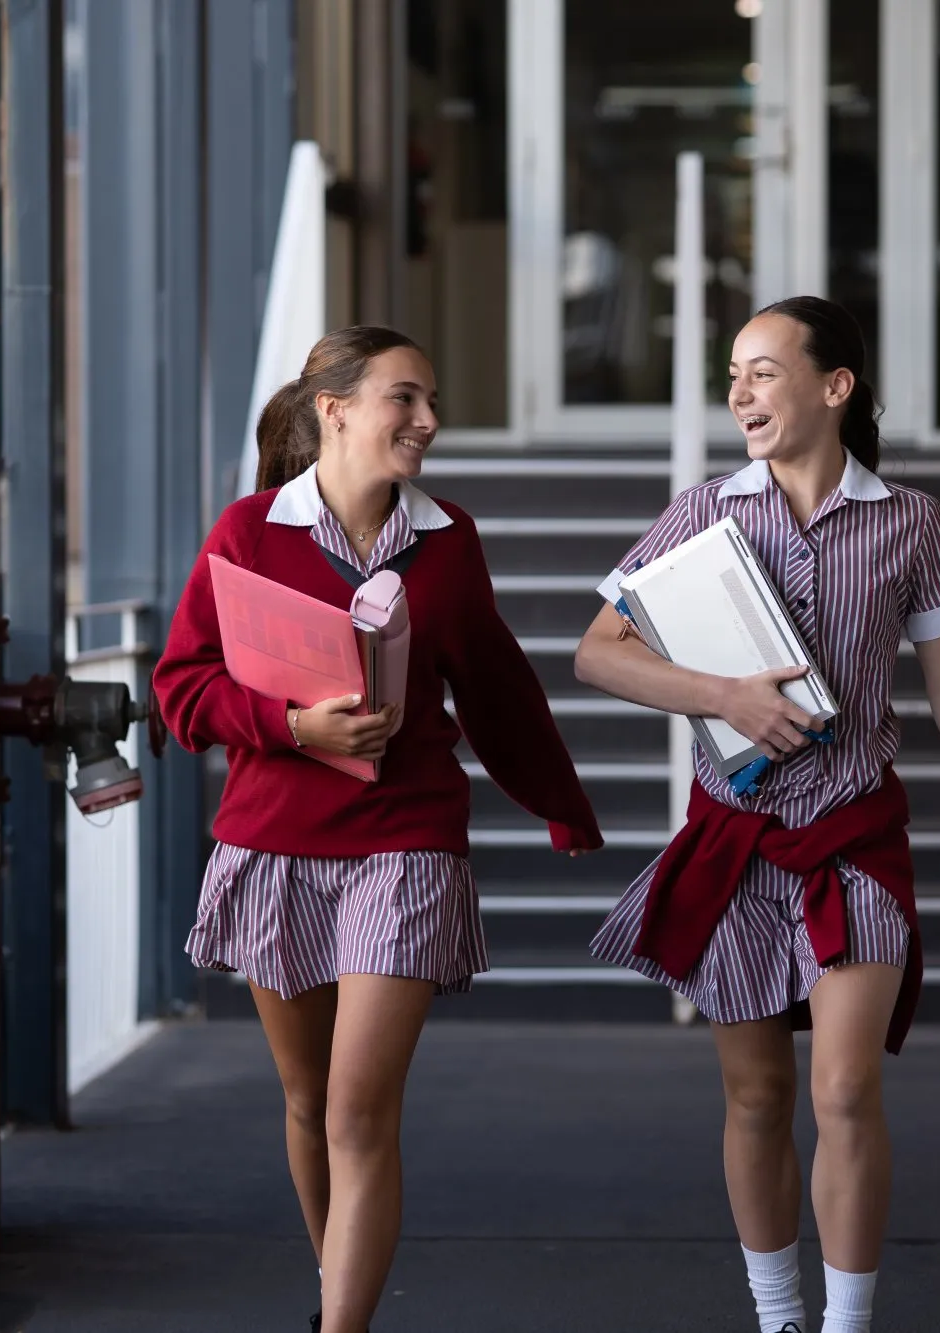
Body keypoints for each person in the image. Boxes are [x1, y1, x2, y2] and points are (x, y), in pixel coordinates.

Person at [574, 296, 940, 1333]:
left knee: (841, 1090)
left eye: (761, 371)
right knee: (756, 1097)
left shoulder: (907, 520)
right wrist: (723, 695)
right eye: (733, 373)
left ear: (833, 386)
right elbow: (597, 650)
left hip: (854, 838)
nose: (738, 393)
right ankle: (776, 1312)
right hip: (734, 841)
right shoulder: (701, 511)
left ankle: (846, 1323)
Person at [154, 326, 603, 1333]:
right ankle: (336, 1296)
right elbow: (181, 690)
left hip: (405, 840)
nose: (428, 421)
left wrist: (558, 801)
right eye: (406, 398)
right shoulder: (246, 532)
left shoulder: (448, 543)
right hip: (273, 842)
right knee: (309, 1103)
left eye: (430, 400)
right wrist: (289, 726)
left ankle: (339, 1327)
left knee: (359, 1111)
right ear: (336, 407)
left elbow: (494, 684)